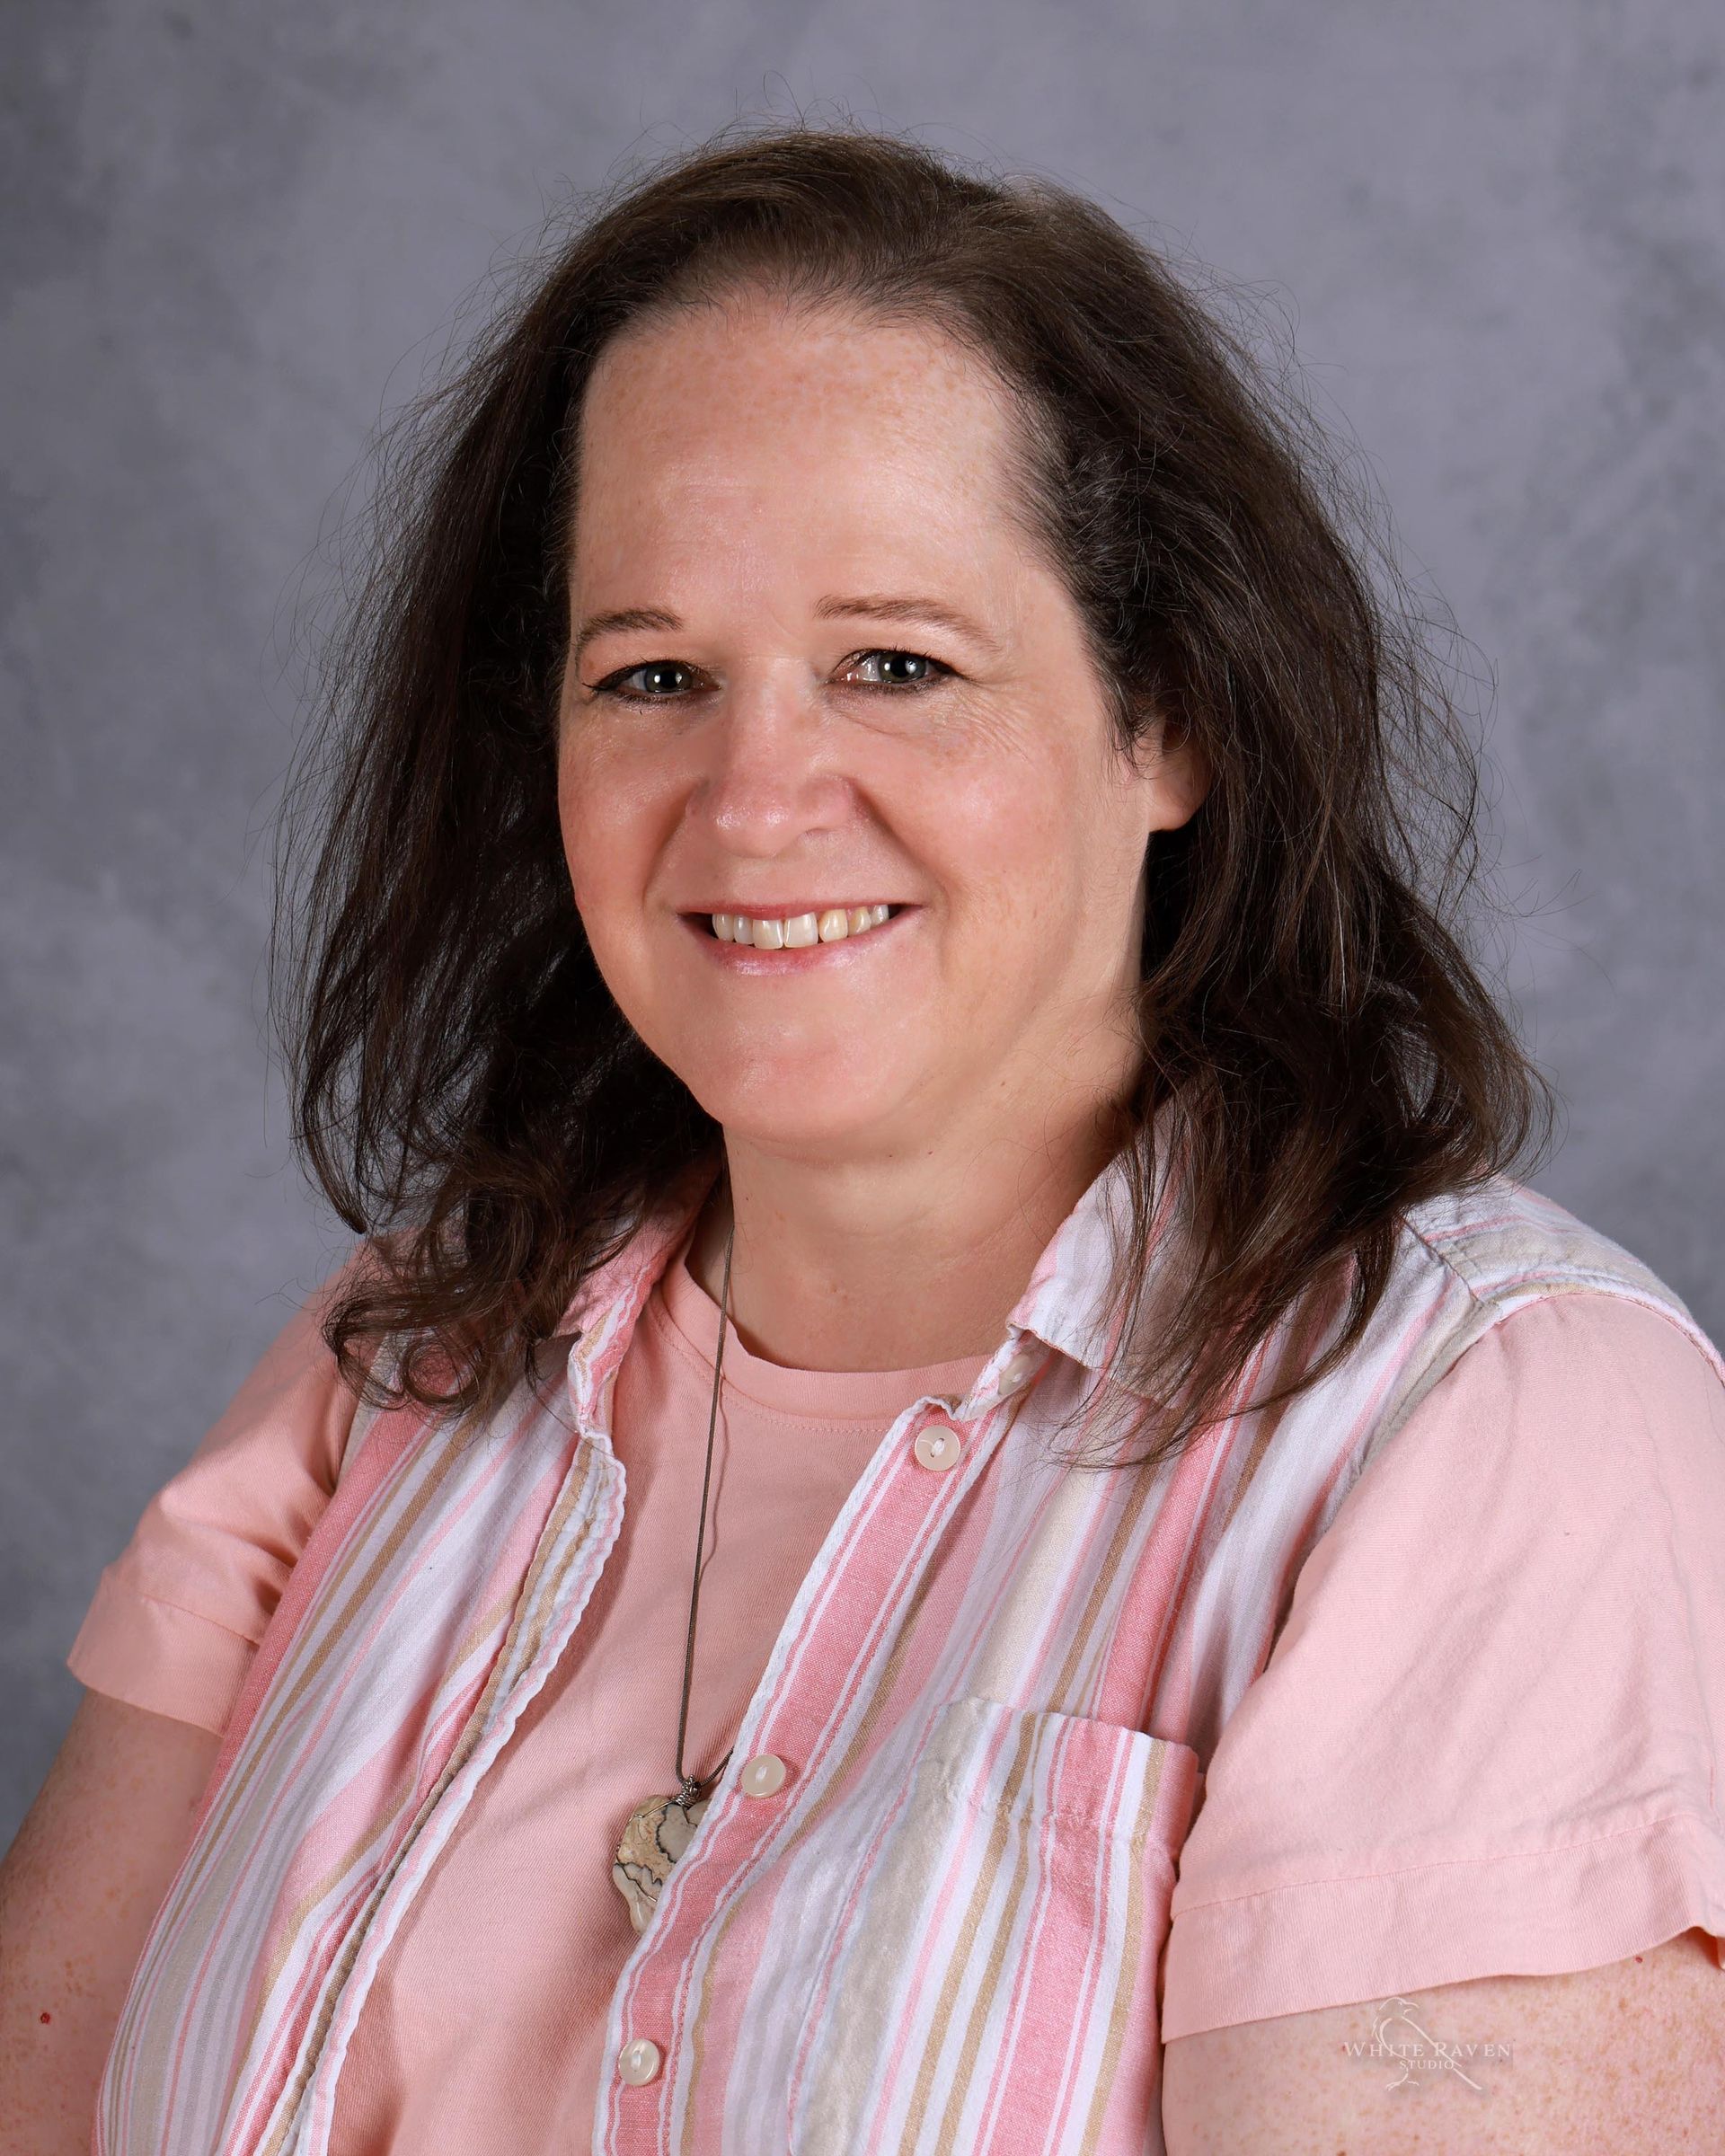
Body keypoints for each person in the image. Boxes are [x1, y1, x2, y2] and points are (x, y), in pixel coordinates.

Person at [2, 123, 1721, 2156]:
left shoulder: (1488, 1432)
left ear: (1164, 719)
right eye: (653, 674)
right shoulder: (391, 1363)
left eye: (895, 664)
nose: (753, 797)